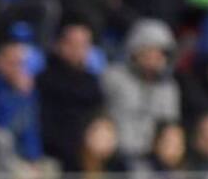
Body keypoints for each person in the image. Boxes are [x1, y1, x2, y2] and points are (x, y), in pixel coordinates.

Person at [103, 19, 180, 160]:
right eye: (148, 51)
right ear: (134, 50)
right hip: (114, 154)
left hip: (152, 157)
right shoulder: (113, 77)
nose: (153, 58)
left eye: (159, 53)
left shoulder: (169, 88)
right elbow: (98, 113)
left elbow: (169, 124)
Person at [37, 21, 104, 167]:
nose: (77, 50)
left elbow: (98, 116)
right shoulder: (45, 80)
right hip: (52, 152)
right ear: (58, 45)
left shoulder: (92, 82)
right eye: (72, 44)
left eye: (83, 45)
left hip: (87, 150)